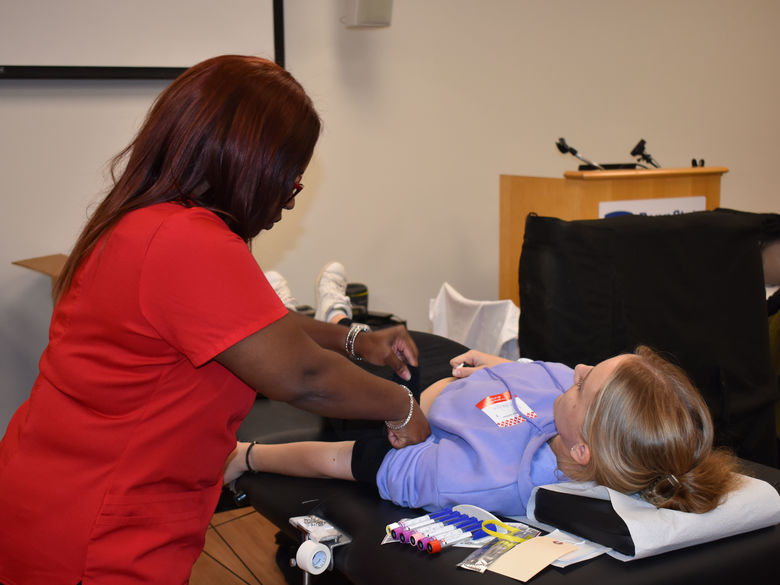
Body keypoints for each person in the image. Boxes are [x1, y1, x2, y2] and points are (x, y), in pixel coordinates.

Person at [0, 56, 430, 585]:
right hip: (98, 529)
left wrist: (354, 339)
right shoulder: (188, 243)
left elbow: (255, 325)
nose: (292, 197)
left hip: (60, 495)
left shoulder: (146, 223)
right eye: (291, 176)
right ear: (247, 161)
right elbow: (303, 377)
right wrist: (401, 405)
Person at [225, 346, 742, 516]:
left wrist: (248, 455)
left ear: (582, 450)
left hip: (410, 410)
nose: (579, 372)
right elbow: (551, 372)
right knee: (379, 337)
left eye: (587, 384)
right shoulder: (576, 412)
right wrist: (499, 364)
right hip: (463, 374)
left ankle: (333, 321)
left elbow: (345, 460)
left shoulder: (482, 478)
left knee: (313, 376)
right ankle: (340, 320)